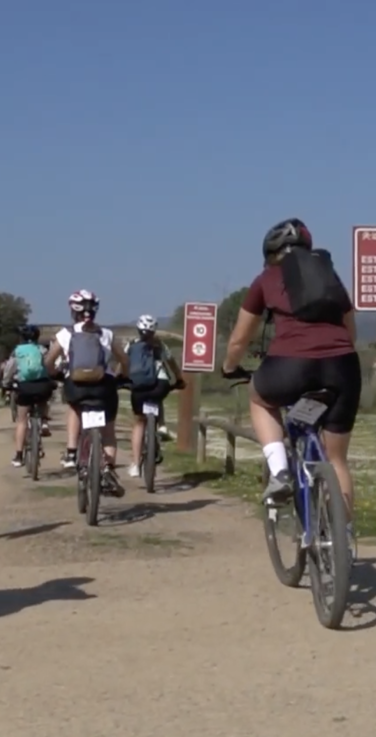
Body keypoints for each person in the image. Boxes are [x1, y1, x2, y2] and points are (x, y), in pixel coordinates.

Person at [220, 219, 361, 547]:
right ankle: (343, 537)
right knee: (336, 459)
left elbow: (240, 339)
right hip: (343, 366)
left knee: (259, 398)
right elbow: (351, 330)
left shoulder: (266, 279)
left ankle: (280, 470)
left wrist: (229, 367)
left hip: (290, 365)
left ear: (270, 254)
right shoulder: (329, 275)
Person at [43, 289, 128, 495]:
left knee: (74, 406)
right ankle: (108, 469)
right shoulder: (107, 334)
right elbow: (124, 360)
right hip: (104, 385)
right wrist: (121, 375)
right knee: (108, 432)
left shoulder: (65, 334)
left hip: (76, 384)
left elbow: (49, 361)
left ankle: (72, 452)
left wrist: (55, 373)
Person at [124, 314, 185, 478]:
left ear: (138, 330)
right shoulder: (160, 345)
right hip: (160, 385)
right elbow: (172, 363)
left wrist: (119, 379)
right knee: (158, 398)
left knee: (139, 422)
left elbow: (123, 364)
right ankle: (162, 426)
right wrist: (179, 379)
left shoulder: (130, 345)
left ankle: (136, 465)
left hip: (138, 387)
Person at [4, 325, 54, 467]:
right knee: (44, 399)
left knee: (21, 421)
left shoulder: (17, 351)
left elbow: (9, 369)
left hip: (25, 387)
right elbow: (49, 366)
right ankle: (44, 421)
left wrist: (6, 383)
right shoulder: (42, 350)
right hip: (41, 386)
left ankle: (19, 456)